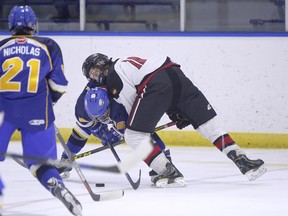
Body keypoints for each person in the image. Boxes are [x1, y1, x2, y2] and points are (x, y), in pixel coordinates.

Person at [80, 53, 267, 184]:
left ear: (103, 63)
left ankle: (167, 172)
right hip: (174, 73)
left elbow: (135, 110)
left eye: (96, 71)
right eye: (93, 75)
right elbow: (152, 90)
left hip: (156, 83)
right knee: (207, 124)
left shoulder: (113, 76)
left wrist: (134, 126)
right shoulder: (124, 63)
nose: (97, 76)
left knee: (133, 134)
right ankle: (244, 161)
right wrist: (175, 110)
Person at [0, 6, 82, 216]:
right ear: (34, 24)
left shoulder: (0, 48)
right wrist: (49, 104)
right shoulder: (48, 45)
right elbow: (59, 86)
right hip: (38, 111)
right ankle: (56, 184)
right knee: (40, 164)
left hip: (3, 111)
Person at [57, 74, 185, 187]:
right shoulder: (81, 109)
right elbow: (85, 132)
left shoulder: (118, 106)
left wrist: (114, 134)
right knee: (81, 131)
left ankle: (165, 162)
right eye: (99, 118)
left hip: (130, 103)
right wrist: (103, 135)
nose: (103, 119)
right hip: (97, 107)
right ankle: (65, 159)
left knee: (140, 131)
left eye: (104, 115)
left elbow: (128, 132)